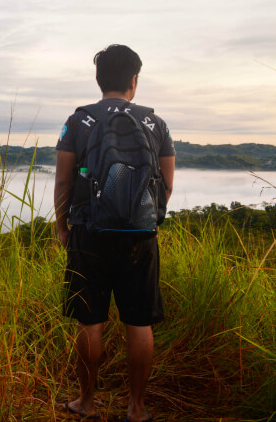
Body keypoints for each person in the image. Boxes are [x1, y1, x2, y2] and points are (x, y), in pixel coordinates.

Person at [54, 44, 175, 422]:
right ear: (134, 80)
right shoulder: (156, 123)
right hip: (141, 236)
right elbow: (166, 185)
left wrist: (62, 227)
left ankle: (86, 403)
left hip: (89, 232)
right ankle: (136, 409)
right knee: (139, 323)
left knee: (90, 321)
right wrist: (145, 219)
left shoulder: (79, 121)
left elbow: (63, 181)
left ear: (98, 79)